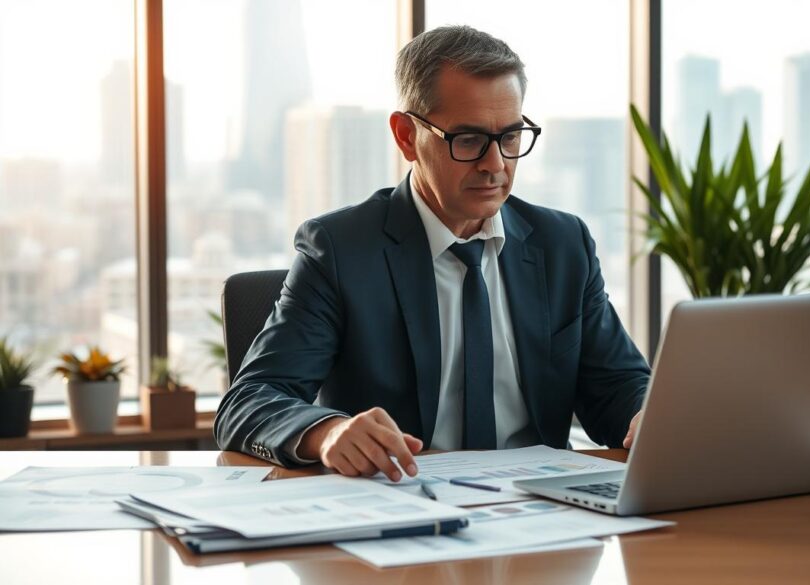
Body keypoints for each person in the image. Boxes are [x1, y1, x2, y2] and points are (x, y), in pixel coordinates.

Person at [214, 25, 650, 481]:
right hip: (402, 507)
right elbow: (249, 402)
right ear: (406, 136)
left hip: (543, 506)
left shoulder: (562, 244)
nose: (496, 164)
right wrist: (329, 432)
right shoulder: (341, 250)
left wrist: (645, 415)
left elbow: (617, 386)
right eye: (468, 140)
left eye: (511, 137)